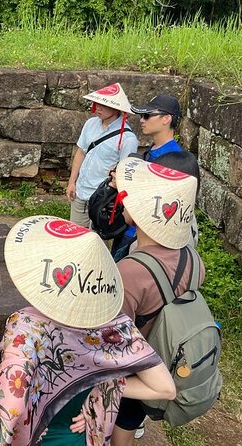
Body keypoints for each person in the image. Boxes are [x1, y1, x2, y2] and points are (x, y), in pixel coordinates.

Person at [0, 215, 176, 446]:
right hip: (82, 435)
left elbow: (12, 407)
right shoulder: (115, 327)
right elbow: (165, 388)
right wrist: (102, 385)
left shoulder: (24, 327)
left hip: (43, 436)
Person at [111, 157, 204, 446]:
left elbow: (113, 337)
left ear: (140, 213)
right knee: (131, 420)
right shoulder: (193, 258)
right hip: (168, 355)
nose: (122, 200)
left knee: (119, 428)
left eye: (129, 197)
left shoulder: (130, 272)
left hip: (138, 367)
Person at [110, 94, 184, 261]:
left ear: (166, 119)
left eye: (147, 115)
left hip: (143, 237)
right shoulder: (153, 150)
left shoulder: (173, 158)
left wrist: (123, 185)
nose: (142, 120)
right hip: (130, 228)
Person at [66, 83, 138, 228]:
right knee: (74, 236)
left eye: (104, 104)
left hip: (102, 197)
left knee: (98, 242)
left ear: (117, 108)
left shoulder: (127, 139)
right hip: (81, 191)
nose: (98, 107)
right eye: (97, 103)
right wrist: (72, 182)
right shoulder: (90, 124)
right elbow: (81, 152)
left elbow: (124, 174)